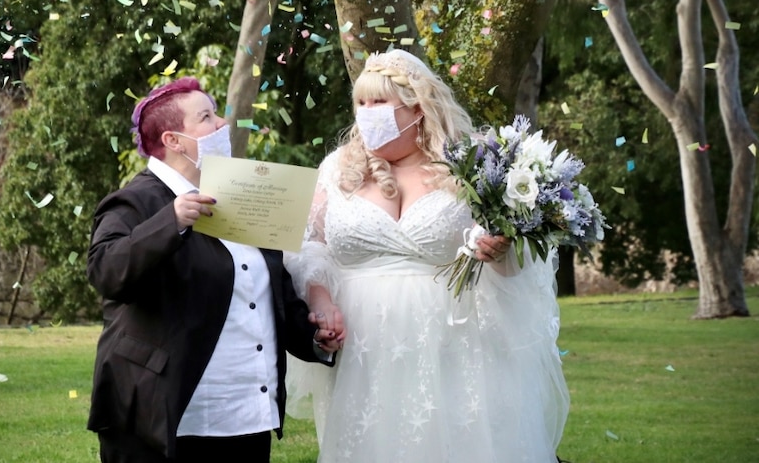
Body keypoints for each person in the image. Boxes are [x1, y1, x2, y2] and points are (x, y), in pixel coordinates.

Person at [284, 49, 570, 462]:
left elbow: (515, 263)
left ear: (418, 107)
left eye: (379, 102)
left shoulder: (471, 164)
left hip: (455, 342)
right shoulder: (336, 169)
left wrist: (500, 249)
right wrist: (321, 300)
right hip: (365, 347)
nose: (366, 113)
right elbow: (312, 247)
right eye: (360, 103)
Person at [86, 77, 340, 463]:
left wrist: (316, 337)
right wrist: (170, 222)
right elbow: (106, 271)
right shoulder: (134, 201)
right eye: (206, 117)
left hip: (246, 412)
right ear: (173, 140)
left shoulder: (241, 194)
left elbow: (270, 294)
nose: (222, 124)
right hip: (165, 415)